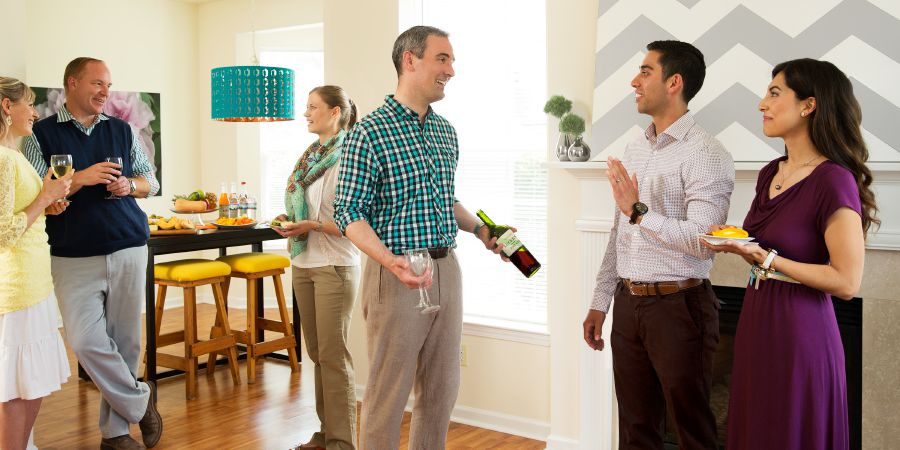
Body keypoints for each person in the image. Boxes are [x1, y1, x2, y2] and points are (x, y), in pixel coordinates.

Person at [333, 26, 511, 449]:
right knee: (388, 395)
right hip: (396, 273)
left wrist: (485, 230)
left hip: (446, 268)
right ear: (409, 60)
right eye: (442, 59)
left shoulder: (445, 132)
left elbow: (445, 200)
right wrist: (388, 259)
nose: (451, 69)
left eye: (451, 60)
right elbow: (348, 213)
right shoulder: (368, 133)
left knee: (441, 391)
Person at [702, 59, 877, 450]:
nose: (762, 103)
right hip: (757, 322)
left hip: (802, 334)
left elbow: (847, 282)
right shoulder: (770, 173)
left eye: (774, 93)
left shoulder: (834, 180)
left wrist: (764, 258)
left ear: (808, 105)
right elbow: (756, 241)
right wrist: (736, 243)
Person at [582, 40, 735, 450]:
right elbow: (621, 233)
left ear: (674, 82)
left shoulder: (706, 153)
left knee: (692, 430)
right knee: (635, 429)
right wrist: (601, 301)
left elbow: (705, 242)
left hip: (679, 309)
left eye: (645, 71)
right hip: (629, 304)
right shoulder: (636, 148)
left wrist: (639, 211)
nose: (634, 80)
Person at [23, 57, 163, 450]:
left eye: (108, 85)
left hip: (128, 244)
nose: (105, 91)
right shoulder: (41, 134)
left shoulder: (123, 129)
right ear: (72, 83)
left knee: (125, 343)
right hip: (72, 254)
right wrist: (79, 180)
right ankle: (142, 400)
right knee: (85, 342)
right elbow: (37, 193)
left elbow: (149, 180)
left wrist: (129, 187)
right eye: (97, 83)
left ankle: (115, 435)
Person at [274, 85, 361, 450]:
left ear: (335, 112)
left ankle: (343, 442)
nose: (306, 113)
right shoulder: (311, 156)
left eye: (313, 107)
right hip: (304, 262)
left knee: (334, 356)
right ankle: (327, 434)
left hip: (334, 266)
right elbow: (304, 208)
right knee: (317, 354)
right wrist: (290, 219)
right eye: (306, 107)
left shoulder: (350, 158)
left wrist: (310, 225)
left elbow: (357, 222)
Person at [0, 77, 72, 450]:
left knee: (33, 386)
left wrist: (47, 202)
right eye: (28, 103)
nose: (35, 111)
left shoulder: (14, 155)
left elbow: (23, 213)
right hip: (18, 289)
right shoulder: (2, 159)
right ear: (6, 107)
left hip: (36, 283)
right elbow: (2, 234)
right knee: (16, 390)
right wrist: (44, 197)